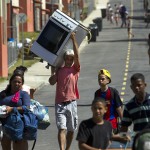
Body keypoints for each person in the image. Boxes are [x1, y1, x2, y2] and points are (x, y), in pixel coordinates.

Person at [49, 32, 80, 150]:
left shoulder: (75, 69)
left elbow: (77, 55)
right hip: (60, 103)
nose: (68, 60)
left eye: (70, 58)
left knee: (71, 130)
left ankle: (67, 148)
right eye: (66, 58)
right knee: (62, 129)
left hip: (72, 103)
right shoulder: (60, 70)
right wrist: (55, 71)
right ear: (64, 59)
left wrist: (73, 40)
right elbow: (52, 82)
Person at [0, 73, 30, 150]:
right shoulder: (3, 93)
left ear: (22, 84)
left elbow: (26, 108)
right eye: (14, 81)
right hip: (4, 124)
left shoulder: (23, 94)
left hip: (18, 125)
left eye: (19, 82)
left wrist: (12, 109)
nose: (17, 83)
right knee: (5, 147)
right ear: (10, 82)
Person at [94, 69, 123, 134]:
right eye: (99, 79)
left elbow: (119, 108)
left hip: (112, 123)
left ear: (108, 80)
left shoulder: (113, 92)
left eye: (102, 79)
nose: (100, 81)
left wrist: (124, 122)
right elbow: (96, 110)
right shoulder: (97, 94)